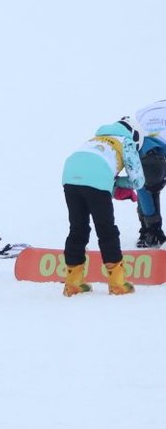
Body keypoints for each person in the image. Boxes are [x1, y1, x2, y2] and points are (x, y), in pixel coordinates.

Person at [60, 118, 143, 296]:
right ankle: (117, 284)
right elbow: (138, 180)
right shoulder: (126, 141)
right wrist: (117, 182)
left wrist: (110, 181)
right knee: (106, 230)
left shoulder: (94, 139)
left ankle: (73, 283)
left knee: (77, 229)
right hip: (98, 178)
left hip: (69, 175)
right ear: (136, 137)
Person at [133, 99, 166, 248]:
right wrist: (153, 224)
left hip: (149, 142)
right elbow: (141, 189)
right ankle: (149, 231)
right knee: (147, 188)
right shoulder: (134, 154)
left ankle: (149, 231)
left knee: (148, 187)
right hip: (149, 145)